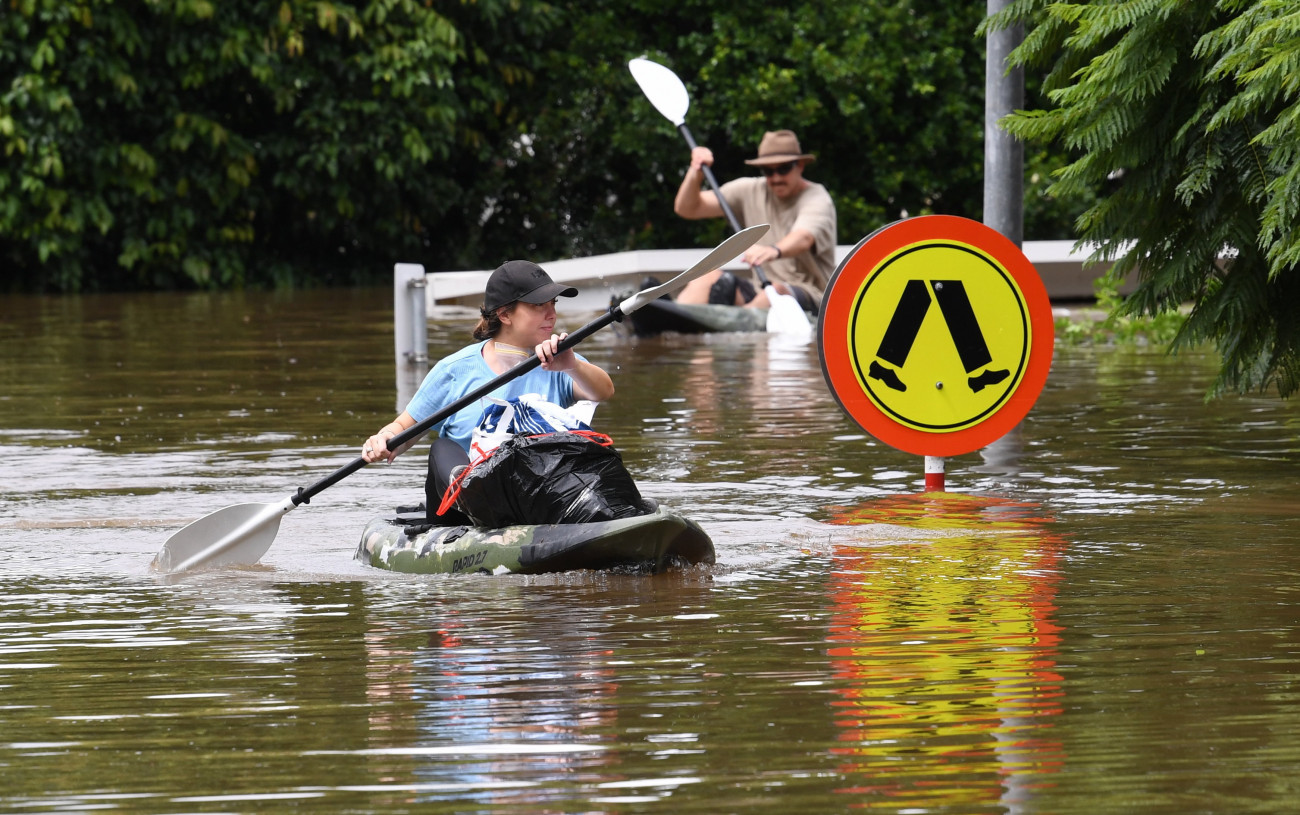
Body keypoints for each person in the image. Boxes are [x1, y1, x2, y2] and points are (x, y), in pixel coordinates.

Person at [360, 260, 616, 522]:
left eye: (553, 304)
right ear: (505, 315)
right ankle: (484, 509)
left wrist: (572, 366)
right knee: (442, 447)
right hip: (464, 512)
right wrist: (383, 439)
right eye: (539, 305)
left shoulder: (559, 359)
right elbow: (403, 429)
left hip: (533, 494)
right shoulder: (454, 370)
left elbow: (603, 391)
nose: (552, 314)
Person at [673, 129, 837, 312]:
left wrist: (773, 250)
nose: (776, 178)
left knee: (774, 293)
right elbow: (687, 208)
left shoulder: (817, 197)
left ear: (800, 165)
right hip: (760, 288)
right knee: (706, 280)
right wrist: (695, 172)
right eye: (768, 171)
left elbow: (804, 237)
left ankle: (731, 323)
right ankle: (674, 317)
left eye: (783, 169)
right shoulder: (749, 189)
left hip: (813, 296)